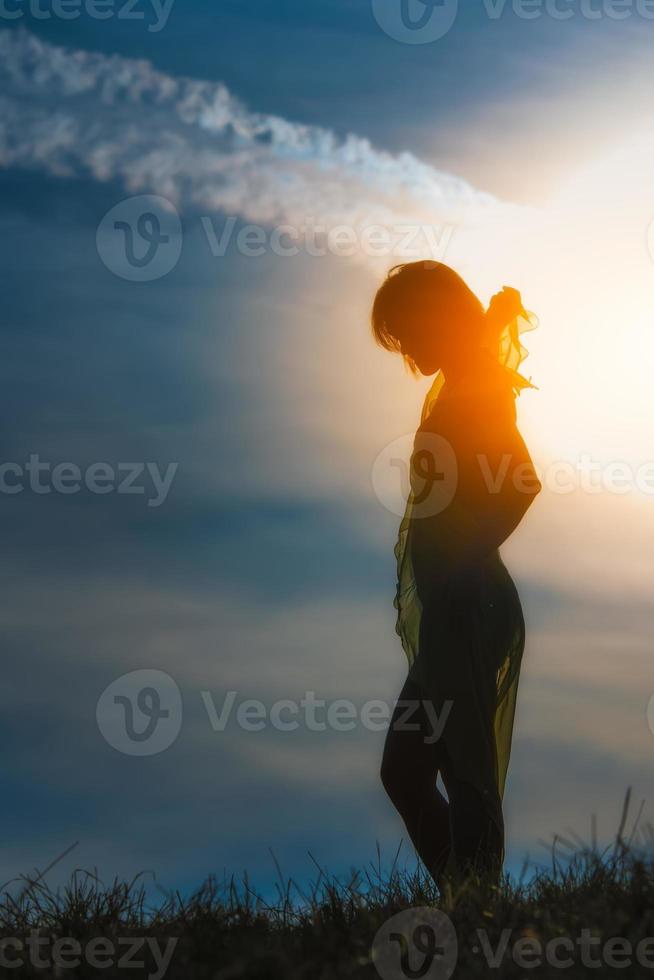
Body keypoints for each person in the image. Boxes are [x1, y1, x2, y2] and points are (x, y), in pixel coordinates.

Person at [372, 261, 541, 884]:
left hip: (469, 603)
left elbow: (521, 482)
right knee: (407, 768)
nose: (409, 353)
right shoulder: (462, 382)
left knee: (460, 761)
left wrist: (465, 563)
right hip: (454, 604)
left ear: (433, 316)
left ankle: (476, 906)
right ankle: (469, 896)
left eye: (407, 334)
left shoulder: (477, 384)